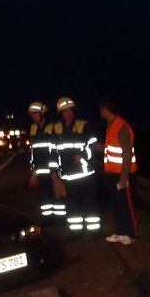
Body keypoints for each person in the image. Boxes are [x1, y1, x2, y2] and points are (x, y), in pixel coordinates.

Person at [50, 97, 101, 233]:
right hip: (68, 176)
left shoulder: (84, 126)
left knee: (90, 204)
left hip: (86, 175)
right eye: (65, 111)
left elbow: (93, 146)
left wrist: (83, 155)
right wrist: (54, 172)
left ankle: (94, 232)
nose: (69, 113)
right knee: (72, 206)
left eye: (70, 110)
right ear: (60, 113)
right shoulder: (56, 129)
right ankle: (76, 232)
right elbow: (53, 153)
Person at [99, 99, 138, 245]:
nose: (100, 112)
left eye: (100, 109)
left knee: (126, 205)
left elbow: (127, 154)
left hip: (123, 175)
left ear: (104, 109)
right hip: (113, 174)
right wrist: (98, 147)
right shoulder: (111, 125)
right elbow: (111, 148)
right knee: (117, 204)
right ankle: (120, 232)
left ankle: (130, 234)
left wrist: (123, 177)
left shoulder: (121, 126)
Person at [27, 101, 64, 218]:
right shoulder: (33, 128)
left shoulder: (53, 126)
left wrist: (54, 171)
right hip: (40, 170)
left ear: (42, 113)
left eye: (36, 113)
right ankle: (48, 219)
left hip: (52, 170)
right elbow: (33, 151)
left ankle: (60, 219)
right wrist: (33, 170)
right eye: (32, 114)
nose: (34, 116)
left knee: (56, 195)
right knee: (44, 197)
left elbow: (55, 149)